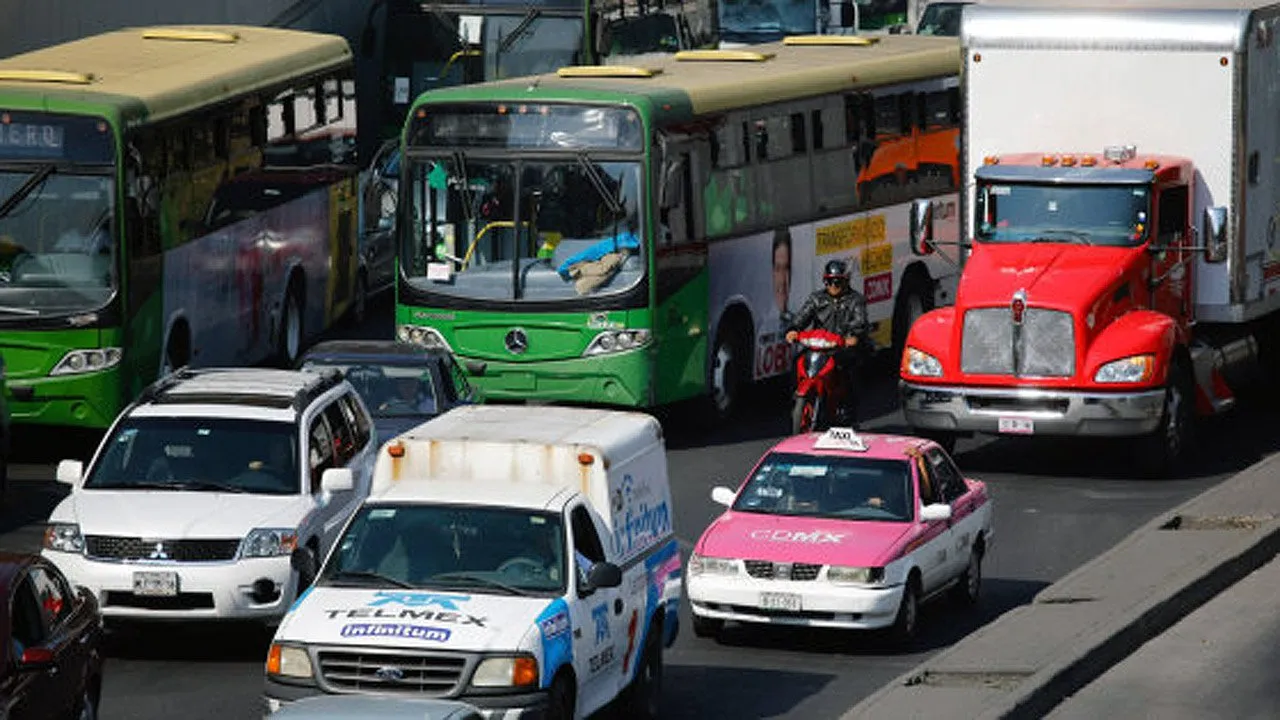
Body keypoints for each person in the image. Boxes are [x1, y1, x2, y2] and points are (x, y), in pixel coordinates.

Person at [786, 259, 870, 425]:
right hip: (818, 346)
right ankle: (796, 400)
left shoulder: (855, 300)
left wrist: (852, 336)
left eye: (837, 281)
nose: (833, 285)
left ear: (845, 281)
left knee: (849, 370)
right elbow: (802, 316)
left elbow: (860, 323)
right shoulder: (816, 298)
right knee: (797, 361)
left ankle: (849, 411)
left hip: (841, 348)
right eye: (829, 281)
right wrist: (793, 329)